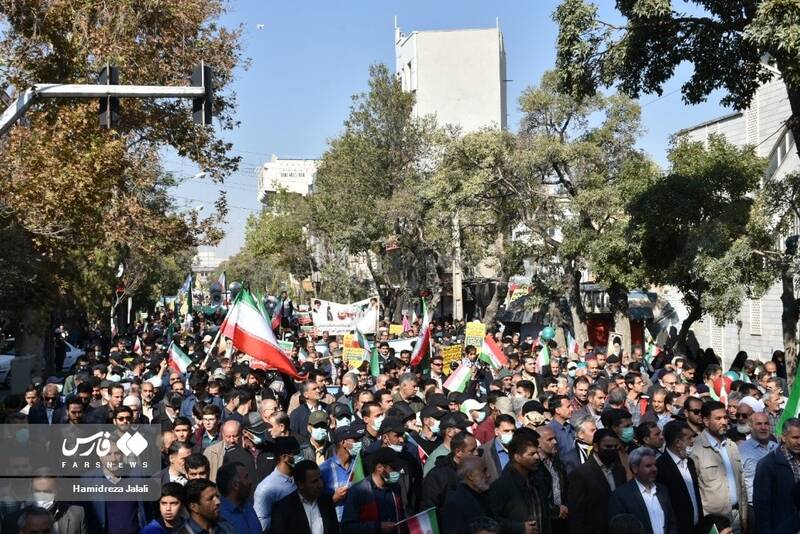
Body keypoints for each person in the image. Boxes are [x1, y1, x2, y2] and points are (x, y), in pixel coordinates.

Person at [690, 400, 748, 533]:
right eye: (718, 418)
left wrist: (744, 518)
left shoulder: (731, 446)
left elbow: (742, 484)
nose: (724, 422)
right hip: (713, 522)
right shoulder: (696, 450)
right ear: (705, 421)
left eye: (725, 417)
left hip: (737, 516)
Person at [487, 430, 550, 534]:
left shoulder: (537, 481)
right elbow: (492, 520)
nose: (537, 457)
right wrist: (518, 528)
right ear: (517, 457)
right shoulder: (501, 486)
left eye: (537, 453)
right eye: (531, 454)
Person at [567, 428, 628, 534]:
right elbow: (577, 515)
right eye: (608, 447)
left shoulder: (619, 470)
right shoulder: (581, 474)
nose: (612, 450)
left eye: (615, 447)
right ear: (595, 447)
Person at [608, 447, 677, 534]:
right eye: (648, 466)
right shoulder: (621, 496)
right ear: (634, 468)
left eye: (655, 465)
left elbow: (671, 522)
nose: (654, 469)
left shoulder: (662, 490)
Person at [752, 418, 800, 534]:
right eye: (795, 438)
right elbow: (761, 506)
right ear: (783, 437)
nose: (799, 442)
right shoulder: (768, 464)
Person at [341, 447, 405, 533]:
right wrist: (377, 527)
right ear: (379, 467)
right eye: (394, 468)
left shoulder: (395, 488)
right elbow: (347, 527)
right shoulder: (358, 491)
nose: (398, 471)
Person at [656, 420, 702, 534]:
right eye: (689, 438)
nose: (693, 441)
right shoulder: (660, 467)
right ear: (678, 443)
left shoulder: (690, 462)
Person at [271, 460, 340, 534]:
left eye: (320, 478)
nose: (320, 485)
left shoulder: (327, 501)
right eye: (314, 481)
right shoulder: (283, 508)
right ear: (300, 484)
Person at [253, 436, 301, 532]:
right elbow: (261, 524)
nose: (300, 455)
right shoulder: (266, 488)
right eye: (296, 453)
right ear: (284, 457)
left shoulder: (300, 477)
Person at [421, 430, 478, 511]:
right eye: (472, 451)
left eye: (476, 449)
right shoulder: (437, 476)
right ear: (458, 452)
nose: (476, 453)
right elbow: (429, 509)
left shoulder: (476, 470)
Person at [737, 411, 777, 518]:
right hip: (754, 509)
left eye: (766, 423)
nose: (763, 427)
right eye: (759, 424)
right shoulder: (741, 451)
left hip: (777, 506)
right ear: (750, 427)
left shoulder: (777, 448)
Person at [440, 456, 493, 534]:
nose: (488, 475)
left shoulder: (484, 495)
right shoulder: (456, 503)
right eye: (484, 471)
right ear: (470, 476)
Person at [320, 426, 361, 521]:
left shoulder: (358, 464)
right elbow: (318, 504)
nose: (358, 443)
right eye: (355, 440)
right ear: (343, 443)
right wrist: (334, 498)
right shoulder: (324, 469)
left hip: (358, 524)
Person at [537, 425, 569, 534]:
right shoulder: (535, 466)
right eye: (549, 439)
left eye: (554, 438)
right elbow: (538, 495)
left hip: (563, 517)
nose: (555, 442)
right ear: (538, 444)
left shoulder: (557, 462)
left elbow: (565, 487)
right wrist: (554, 510)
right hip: (545, 521)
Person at [216, 462, 261, 534]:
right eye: (246, 477)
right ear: (236, 485)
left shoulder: (248, 506)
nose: (250, 481)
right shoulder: (219, 515)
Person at [483, 414, 516, 484]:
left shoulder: (520, 448)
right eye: (506, 431)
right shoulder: (484, 451)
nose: (511, 434)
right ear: (496, 431)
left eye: (513, 431)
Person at [548, 395, 576, 459]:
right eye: (568, 407)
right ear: (557, 410)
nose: (572, 409)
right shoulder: (550, 431)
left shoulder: (571, 427)